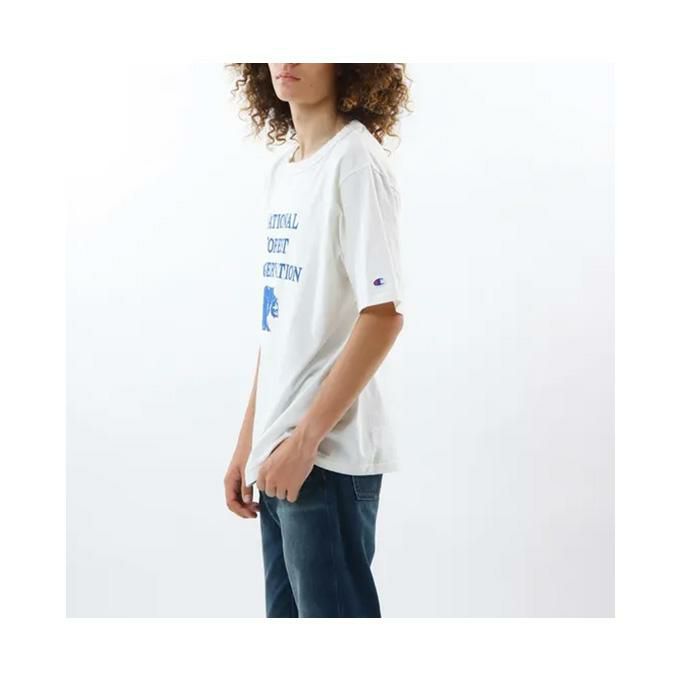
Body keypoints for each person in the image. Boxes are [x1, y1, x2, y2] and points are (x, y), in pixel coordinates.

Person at [224, 63, 410, 618]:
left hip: (325, 460)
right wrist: (248, 444)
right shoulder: (283, 173)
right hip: (278, 460)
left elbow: (383, 316)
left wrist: (304, 444)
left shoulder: (354, 162)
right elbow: (279, 328)